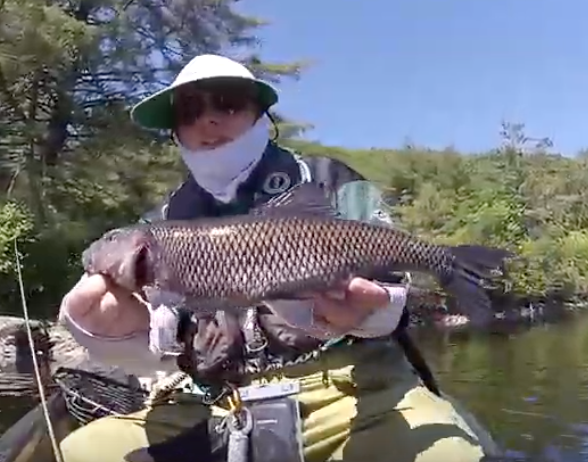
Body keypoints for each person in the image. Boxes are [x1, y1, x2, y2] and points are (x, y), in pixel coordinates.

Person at [57, 54, 501, 462]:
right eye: (189, 111)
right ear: (175, 131)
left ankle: (452, 270)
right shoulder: (162, 221)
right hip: (211, 402)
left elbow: (396, 293)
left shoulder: (329, 179)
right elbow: (159, 353)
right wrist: (112, 333)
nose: (208, 119)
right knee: (85, 451)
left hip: (351, 389)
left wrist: (373, 312)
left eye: (228, 103)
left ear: (260, 115)